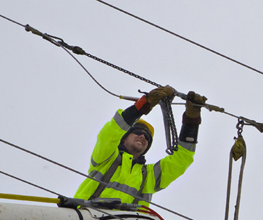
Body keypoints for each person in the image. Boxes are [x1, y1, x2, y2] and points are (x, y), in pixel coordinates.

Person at [73, 86, 206, 206]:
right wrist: (143, 104)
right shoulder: (106, 158)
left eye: (147, 138)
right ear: (123, 139)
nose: (143, 137)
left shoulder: (148, 176)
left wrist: (191, 122)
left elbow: (181, 160)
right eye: (137, 132)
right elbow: (111, 132)